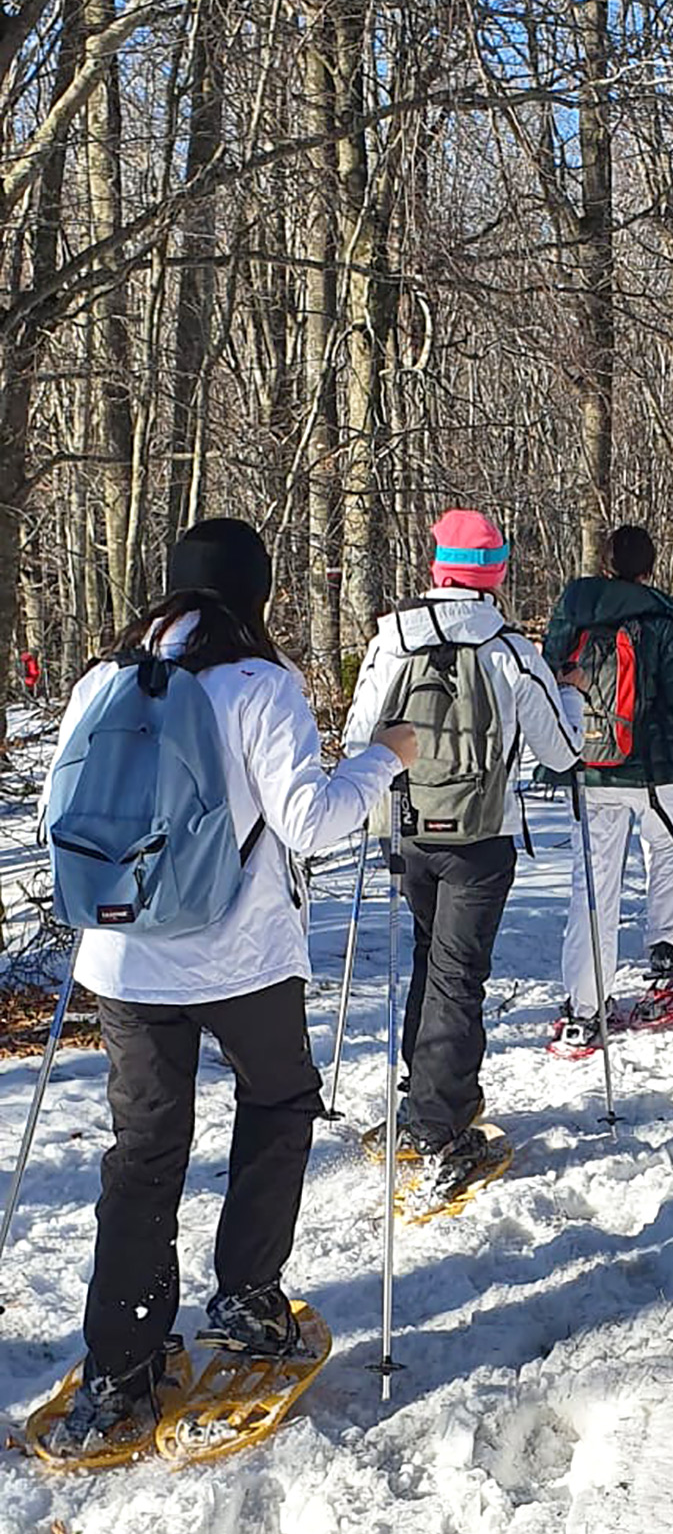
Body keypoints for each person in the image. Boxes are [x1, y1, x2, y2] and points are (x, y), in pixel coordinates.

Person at [42, 517, 415, 1447]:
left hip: (125, 956)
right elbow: (311, 823)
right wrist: (385, 758)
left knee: (143, 1154)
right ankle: (248, 1297)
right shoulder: (261, 685)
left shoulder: (101, 679)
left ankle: (122, 1369)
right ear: (254, 594)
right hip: (240, 956)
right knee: (281, 1102)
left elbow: (60, 811)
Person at [344, 509, 581, 1197]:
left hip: (410, 830)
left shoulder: (393, 639)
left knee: (431, 959)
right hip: (482, 836)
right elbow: (561, 753)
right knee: (456, 975)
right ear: (496, 572)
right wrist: (569, 696)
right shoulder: (510, 649)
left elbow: (363, 736)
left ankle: (424, 1103)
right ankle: (440, 1131)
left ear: (436, 565)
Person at [543, 523, 673, 1050]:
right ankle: (669, 948)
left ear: (604, 563)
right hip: (656, 770)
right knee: (669, 855)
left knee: (592, 886)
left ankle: (585, 1006)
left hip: (588, 763)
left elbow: (548, 680)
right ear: (649, 568)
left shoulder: (573, 611)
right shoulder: (660, 619)